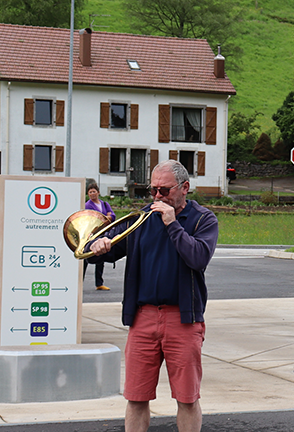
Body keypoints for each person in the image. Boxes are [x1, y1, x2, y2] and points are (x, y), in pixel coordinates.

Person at [89, 160, 219, 432]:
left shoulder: (203, 219)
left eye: (165, 190)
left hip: (183, 319)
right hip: (143, 317)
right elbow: (109, 247)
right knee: (136, 397)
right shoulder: (141, 218)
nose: (157, 197)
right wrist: (98, 244)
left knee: (187, 398)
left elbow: (198, 257)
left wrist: (172, 224)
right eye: (153, 190)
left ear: (185, 188)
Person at [83, 182, 116, 291]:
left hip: (102, 233)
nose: (92, 194)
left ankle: (99, 283)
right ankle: (79, 282)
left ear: (98, 192)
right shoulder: (87, 205)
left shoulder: (104, 204)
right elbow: (91, 217)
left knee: (100, 257)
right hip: (91, 234)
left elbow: (112, 215)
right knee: (85, 259)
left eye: (94, 192)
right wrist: (105, 217)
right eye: (90, 192)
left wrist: (107, 217)